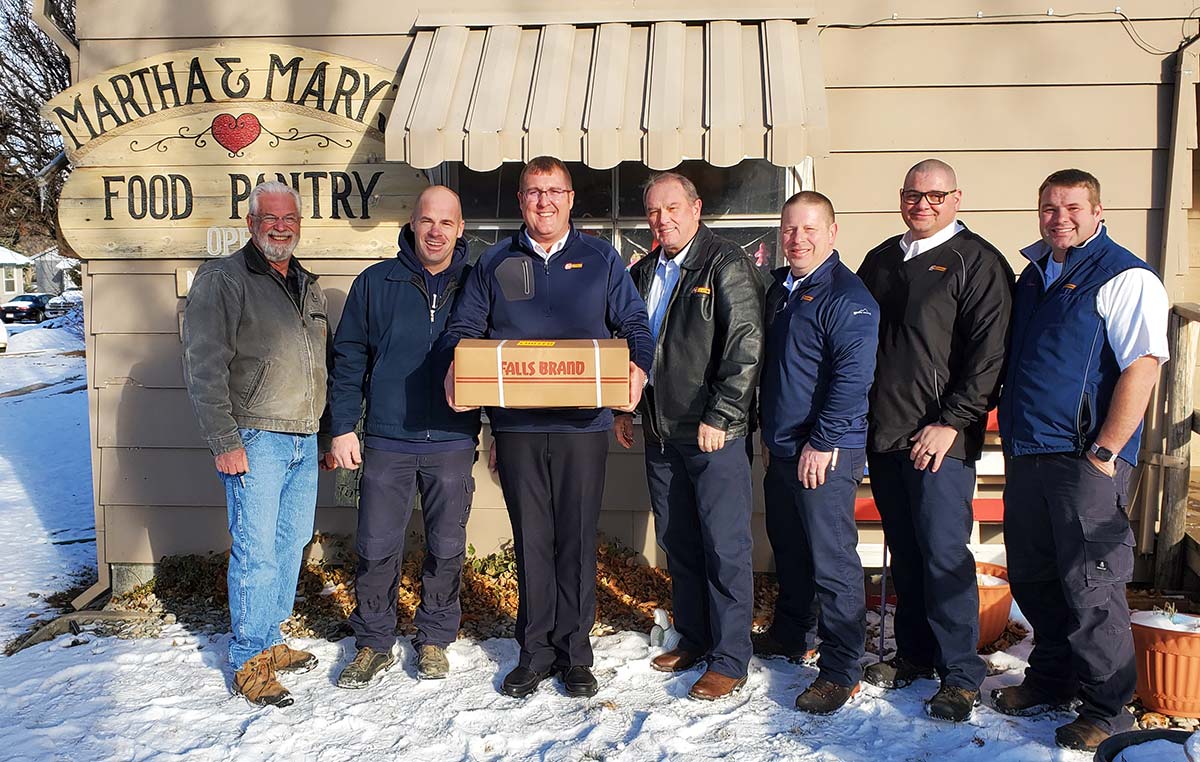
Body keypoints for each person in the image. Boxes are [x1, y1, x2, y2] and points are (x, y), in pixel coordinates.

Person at [442, 156, 652, 699]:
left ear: (570, 199)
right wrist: (455, 369)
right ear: (521, 200)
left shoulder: (602, 259)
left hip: (584, 427)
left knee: (577, 541)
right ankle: (534, 653)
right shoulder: (495, 263)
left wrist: (639, 367)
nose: (545, 201)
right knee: (533, 539)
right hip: (518, 428)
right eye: (534, 192)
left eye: (554, 191)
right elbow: (466, 328)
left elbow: (634, 324)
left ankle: (576, 655)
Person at [995, 169, 1168, 752]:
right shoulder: (1037, 273)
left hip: (1084, 461)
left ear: (1098, 211)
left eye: (1072, 207)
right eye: (1048, 207)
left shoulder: (1123, 275)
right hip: (1030, 453)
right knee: (1036, 576)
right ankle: (1051, 677)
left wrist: (1105, 452)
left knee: (1092, 586)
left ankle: (1108, 707)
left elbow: (1143, 365)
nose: (1058, 217)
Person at [856, 159, 1013, 722]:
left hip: (941, 437)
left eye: (935, 195)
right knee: (907, 551)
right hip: (886, 432)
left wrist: (952, 421)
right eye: (912, 195)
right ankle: (916, 656)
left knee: (944, 553)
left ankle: (960, 673)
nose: (922, 204)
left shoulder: (979, 263)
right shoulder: (881, 259)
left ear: (957, 199)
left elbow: (989, 357)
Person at [182, 181, 334, 707]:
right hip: (254, 437)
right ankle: (250, 659)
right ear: (250, 223)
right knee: (256, 553)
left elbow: (322, 363)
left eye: (289, 217)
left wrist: (327, 428)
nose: (280, 226)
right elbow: (204, 366)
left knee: (289, 546)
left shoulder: (306, 284)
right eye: (270, 218)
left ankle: (269, 639)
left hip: (301, 436)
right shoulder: (224, 279)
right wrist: (223, 439)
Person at [615, 172, 763, 700]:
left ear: (696, 208)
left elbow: (745, 345)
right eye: (654, 211)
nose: (663, 219)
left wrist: (721, 414)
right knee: (679, 539)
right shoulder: (645, 270)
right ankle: (697, 638)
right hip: (660, 429)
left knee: (724, 544)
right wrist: (624, 407)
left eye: (673, 208)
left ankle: (729, 657)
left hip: (711, 432)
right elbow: (634, 346)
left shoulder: (724, 263)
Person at [326, 186, 481, 688]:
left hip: (454, 439)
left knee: (447, 543)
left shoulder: (478, 285)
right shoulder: (375, 283)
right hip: (387, 439)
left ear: (460, 230)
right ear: (413, 224)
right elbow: (349, 359)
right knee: (375, 544)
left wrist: (495, 430)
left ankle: (434, 637)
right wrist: (344, 426)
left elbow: (499, 361)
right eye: (427, 221)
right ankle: (373, 641)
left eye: (446, 223)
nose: (435, 231)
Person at [757, 191, 879, 714]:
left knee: (832, 562)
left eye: (809, 229)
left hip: (824, 450)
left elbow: (853, 379)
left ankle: (840, 668)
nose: (797, 238)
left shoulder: (846, 296)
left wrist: (823, 440)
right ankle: (791, 634)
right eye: (789, 228)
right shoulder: (782, 290)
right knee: (791, 550)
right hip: (784, 447)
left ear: (832, 233)